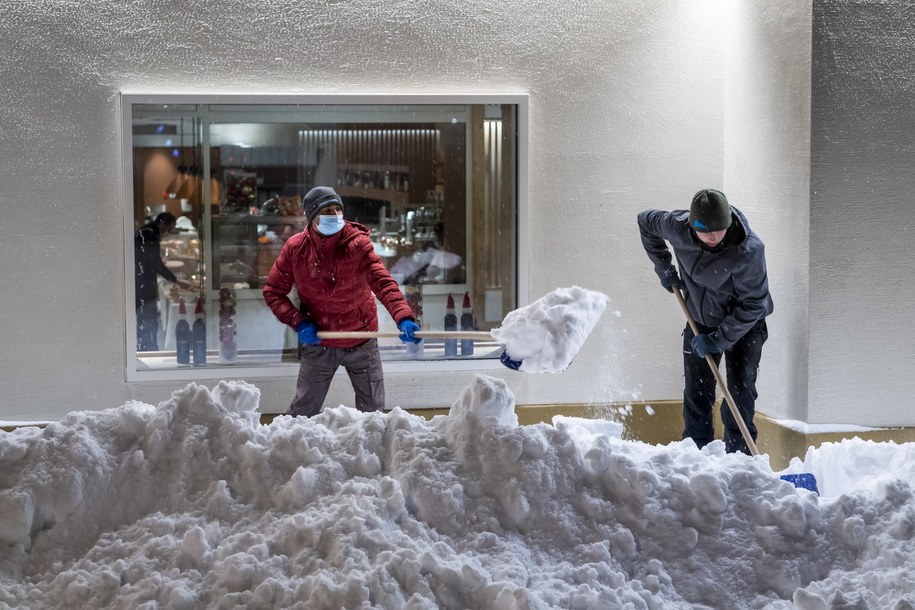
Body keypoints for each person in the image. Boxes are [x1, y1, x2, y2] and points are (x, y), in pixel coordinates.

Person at [263, 186, 422, 417]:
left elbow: (383, 283)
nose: (335, 215)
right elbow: (273, 292)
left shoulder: (357, 245)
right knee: (302, 414)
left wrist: (403, 317)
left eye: (338, 209)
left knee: (373, 415)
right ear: (312, 216)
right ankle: (291, 442)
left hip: (361, 339)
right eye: (327, 210)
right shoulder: (296, 249)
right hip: (320, 340)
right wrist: (299, 322)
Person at [637, 189, 774, 454]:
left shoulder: (748, 250)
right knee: (697, 393)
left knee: (739, 393)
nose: (713, 237)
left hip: (745, 325)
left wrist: (718, 340)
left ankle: (739, 459)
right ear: (692, 225)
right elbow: (645, 221)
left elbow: (754, 303)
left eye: (719, 230)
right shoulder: (677, 227)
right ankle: (696, 456)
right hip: (700, 320)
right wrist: (664, 268)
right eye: (706, 231)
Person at [135, 212, 191, 351]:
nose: (168, 232)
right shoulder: (149, 235)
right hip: (144, 285)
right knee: (147, 318)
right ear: (162, 223)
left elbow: (150, 260)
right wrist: (176, 280)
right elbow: (155, 264)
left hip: (141, 282)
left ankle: (147, 347)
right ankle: (148, 349)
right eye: (169, 228)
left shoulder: (147, 232)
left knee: (146, 318)